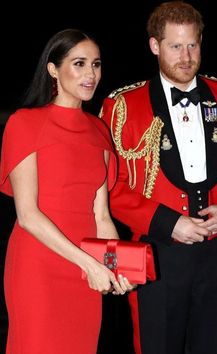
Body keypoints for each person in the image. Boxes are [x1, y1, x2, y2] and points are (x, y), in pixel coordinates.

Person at [100, 2, 217, 354]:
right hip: (157, 253)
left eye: (193, 44)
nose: (186, 56)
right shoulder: (123, 107)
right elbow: (110, 188)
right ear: (154, 45)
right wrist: (167, 222)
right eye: (175, 46)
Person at [0, 28, 134, 354]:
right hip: (39, 267)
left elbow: (101, 216)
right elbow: (28, 215)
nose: (91, 74)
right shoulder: (25, 123)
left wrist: (119, 266)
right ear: (52, 69)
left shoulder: (99, 129)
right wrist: (90, 264)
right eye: (79, 63)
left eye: (96, 64)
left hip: (89, 270)